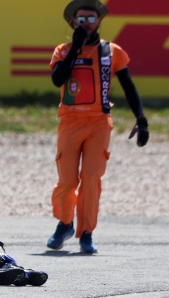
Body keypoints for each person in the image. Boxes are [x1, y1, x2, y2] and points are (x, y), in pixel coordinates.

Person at [47, 0, 150, 254]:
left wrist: (141, 118)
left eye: (91, 19)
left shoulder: (111, 52)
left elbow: (128, 85)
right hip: (70, 121)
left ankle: (87, 233)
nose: (87, 24)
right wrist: (76, 49)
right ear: (73, 22)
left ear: (99, 21)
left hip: (99, 122)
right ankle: (65, 223)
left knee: (91, 179)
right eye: (81, 20)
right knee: (67, 181)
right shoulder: (62, 50)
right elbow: (58, 79)